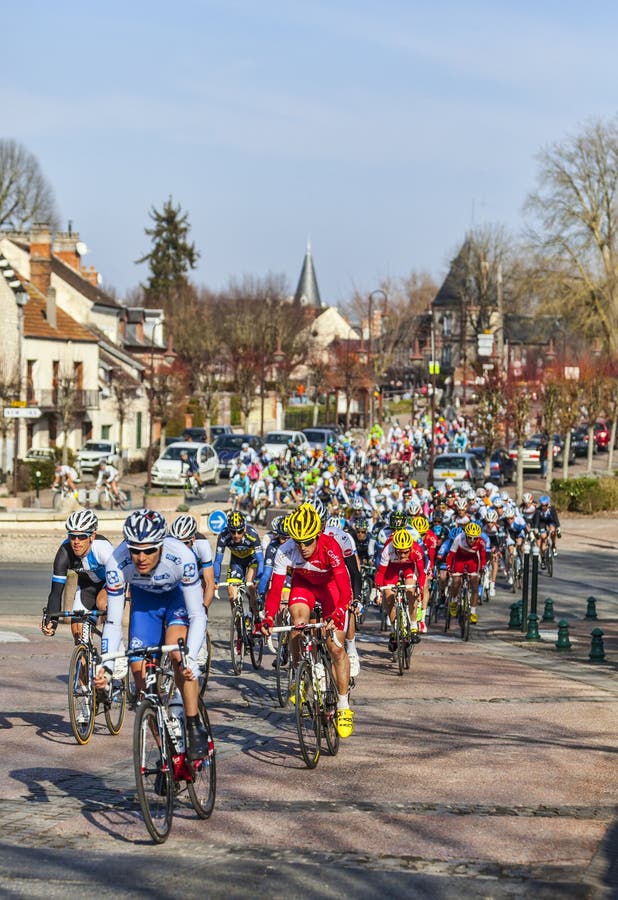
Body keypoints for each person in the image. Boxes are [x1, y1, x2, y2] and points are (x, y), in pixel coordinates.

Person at [95, 508, 210, 760]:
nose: (141, 557)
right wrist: (107, 663)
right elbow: (113, 622)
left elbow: (198, 615)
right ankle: (167, 754)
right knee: (141, 687)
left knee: (178, 654)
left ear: (161, 545)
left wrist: (190, 659)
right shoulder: (117, 560)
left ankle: (193, 724)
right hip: (145, 607)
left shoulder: (182, 556)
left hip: (175, 601)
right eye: (135, 549)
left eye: (149, 550)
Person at [259, 502, 355, 738]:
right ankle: (300, 670)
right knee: (297, 623)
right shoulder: (286, 551)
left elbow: (345, 588)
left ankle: (343, 705)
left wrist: (339, 613)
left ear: (317, 535)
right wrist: (268, 617)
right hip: (304, 586)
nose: (302, 547)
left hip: (331, 587)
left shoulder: (330, 546)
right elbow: (275, 589)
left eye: (308, 541)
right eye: (298, 541)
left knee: (335, 648)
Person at [41, 508, 114, 644]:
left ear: (92, 536)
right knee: (78, 633)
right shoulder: (64, 552)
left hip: (108, 584)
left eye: (81, 536)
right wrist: (52, 620)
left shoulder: (103, 549)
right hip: (86, 588)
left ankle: (111, 645)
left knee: (102, 603)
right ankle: (84, 661)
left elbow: (119, 579)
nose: (76, 541)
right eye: (72, 536)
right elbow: (56, 592)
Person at [169, 513, 215, 672]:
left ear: (192, 540)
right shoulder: (169, 545)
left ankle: (200, 643)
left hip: (198, 572)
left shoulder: (201, 545)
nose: (179, 547)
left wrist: (204, 608)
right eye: (177, 543)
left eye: (184, 543)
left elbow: (210, 582)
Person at [374, 528, 426, 651]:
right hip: (391, 568)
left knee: (411, 592)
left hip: (408, 567)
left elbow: (421, 573)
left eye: (405, 552)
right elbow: (381, 573)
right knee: (389, 596)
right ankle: (394, 629)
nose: (402, 555)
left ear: (410, 548)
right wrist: (378, 592)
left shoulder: (417, 550)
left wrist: (420, 589)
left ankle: (413, 626)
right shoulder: (387, 550)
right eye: (399, 552)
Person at [213, 510, 264, 617]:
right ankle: (238, 625)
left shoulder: (252, 534)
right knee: (232, 594)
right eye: (232, 531)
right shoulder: (223, 536)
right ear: (228, 529)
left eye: (240, 531)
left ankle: (256, 616)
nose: (236, 535)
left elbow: (260, 560)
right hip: (236, 561)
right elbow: (217, 561)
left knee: (251, 585)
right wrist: (216, 579)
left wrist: (258, 577)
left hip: (252, 559)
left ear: (244, 528)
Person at [446, 521, 487, 624]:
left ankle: (473, 612)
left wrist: (482, 567)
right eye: (469, 537)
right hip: (460, 559)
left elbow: (482, 557)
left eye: (475, 538)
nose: (472, 540)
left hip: (472, 561)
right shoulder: (459, 538)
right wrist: (449, 567)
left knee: (474, 584)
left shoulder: (481, 542)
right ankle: (454, 601)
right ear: (466, 535)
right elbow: (451, 554)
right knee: (456, 582)